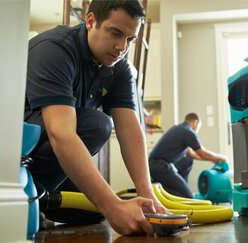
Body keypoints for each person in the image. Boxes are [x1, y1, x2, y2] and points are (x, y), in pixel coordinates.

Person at [24, 0, 167, 236]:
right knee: (97, 125)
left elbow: (129, 128)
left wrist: (147, 195)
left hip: (51, 159)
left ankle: (38, 202)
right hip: (17, 154)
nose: (122, 47)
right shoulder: (54, 49)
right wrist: (113, 207)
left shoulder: (118, 66)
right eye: (116, 33)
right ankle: (27, 198)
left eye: (130, 39)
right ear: (90, 21)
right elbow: (61, 132)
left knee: (95, 210)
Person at [149, 113, 228, 198]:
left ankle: (178, 188)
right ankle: (164, 193)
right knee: (188, 196)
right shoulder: (188, 131)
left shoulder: (179, 129)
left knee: (188, 161)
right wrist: (222, 158)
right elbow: (202, 153)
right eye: (198, 127)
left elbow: (193, 154)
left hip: (155, 166)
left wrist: (214, 160)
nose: (197, 130)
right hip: (161, 168)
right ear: (195, 122)